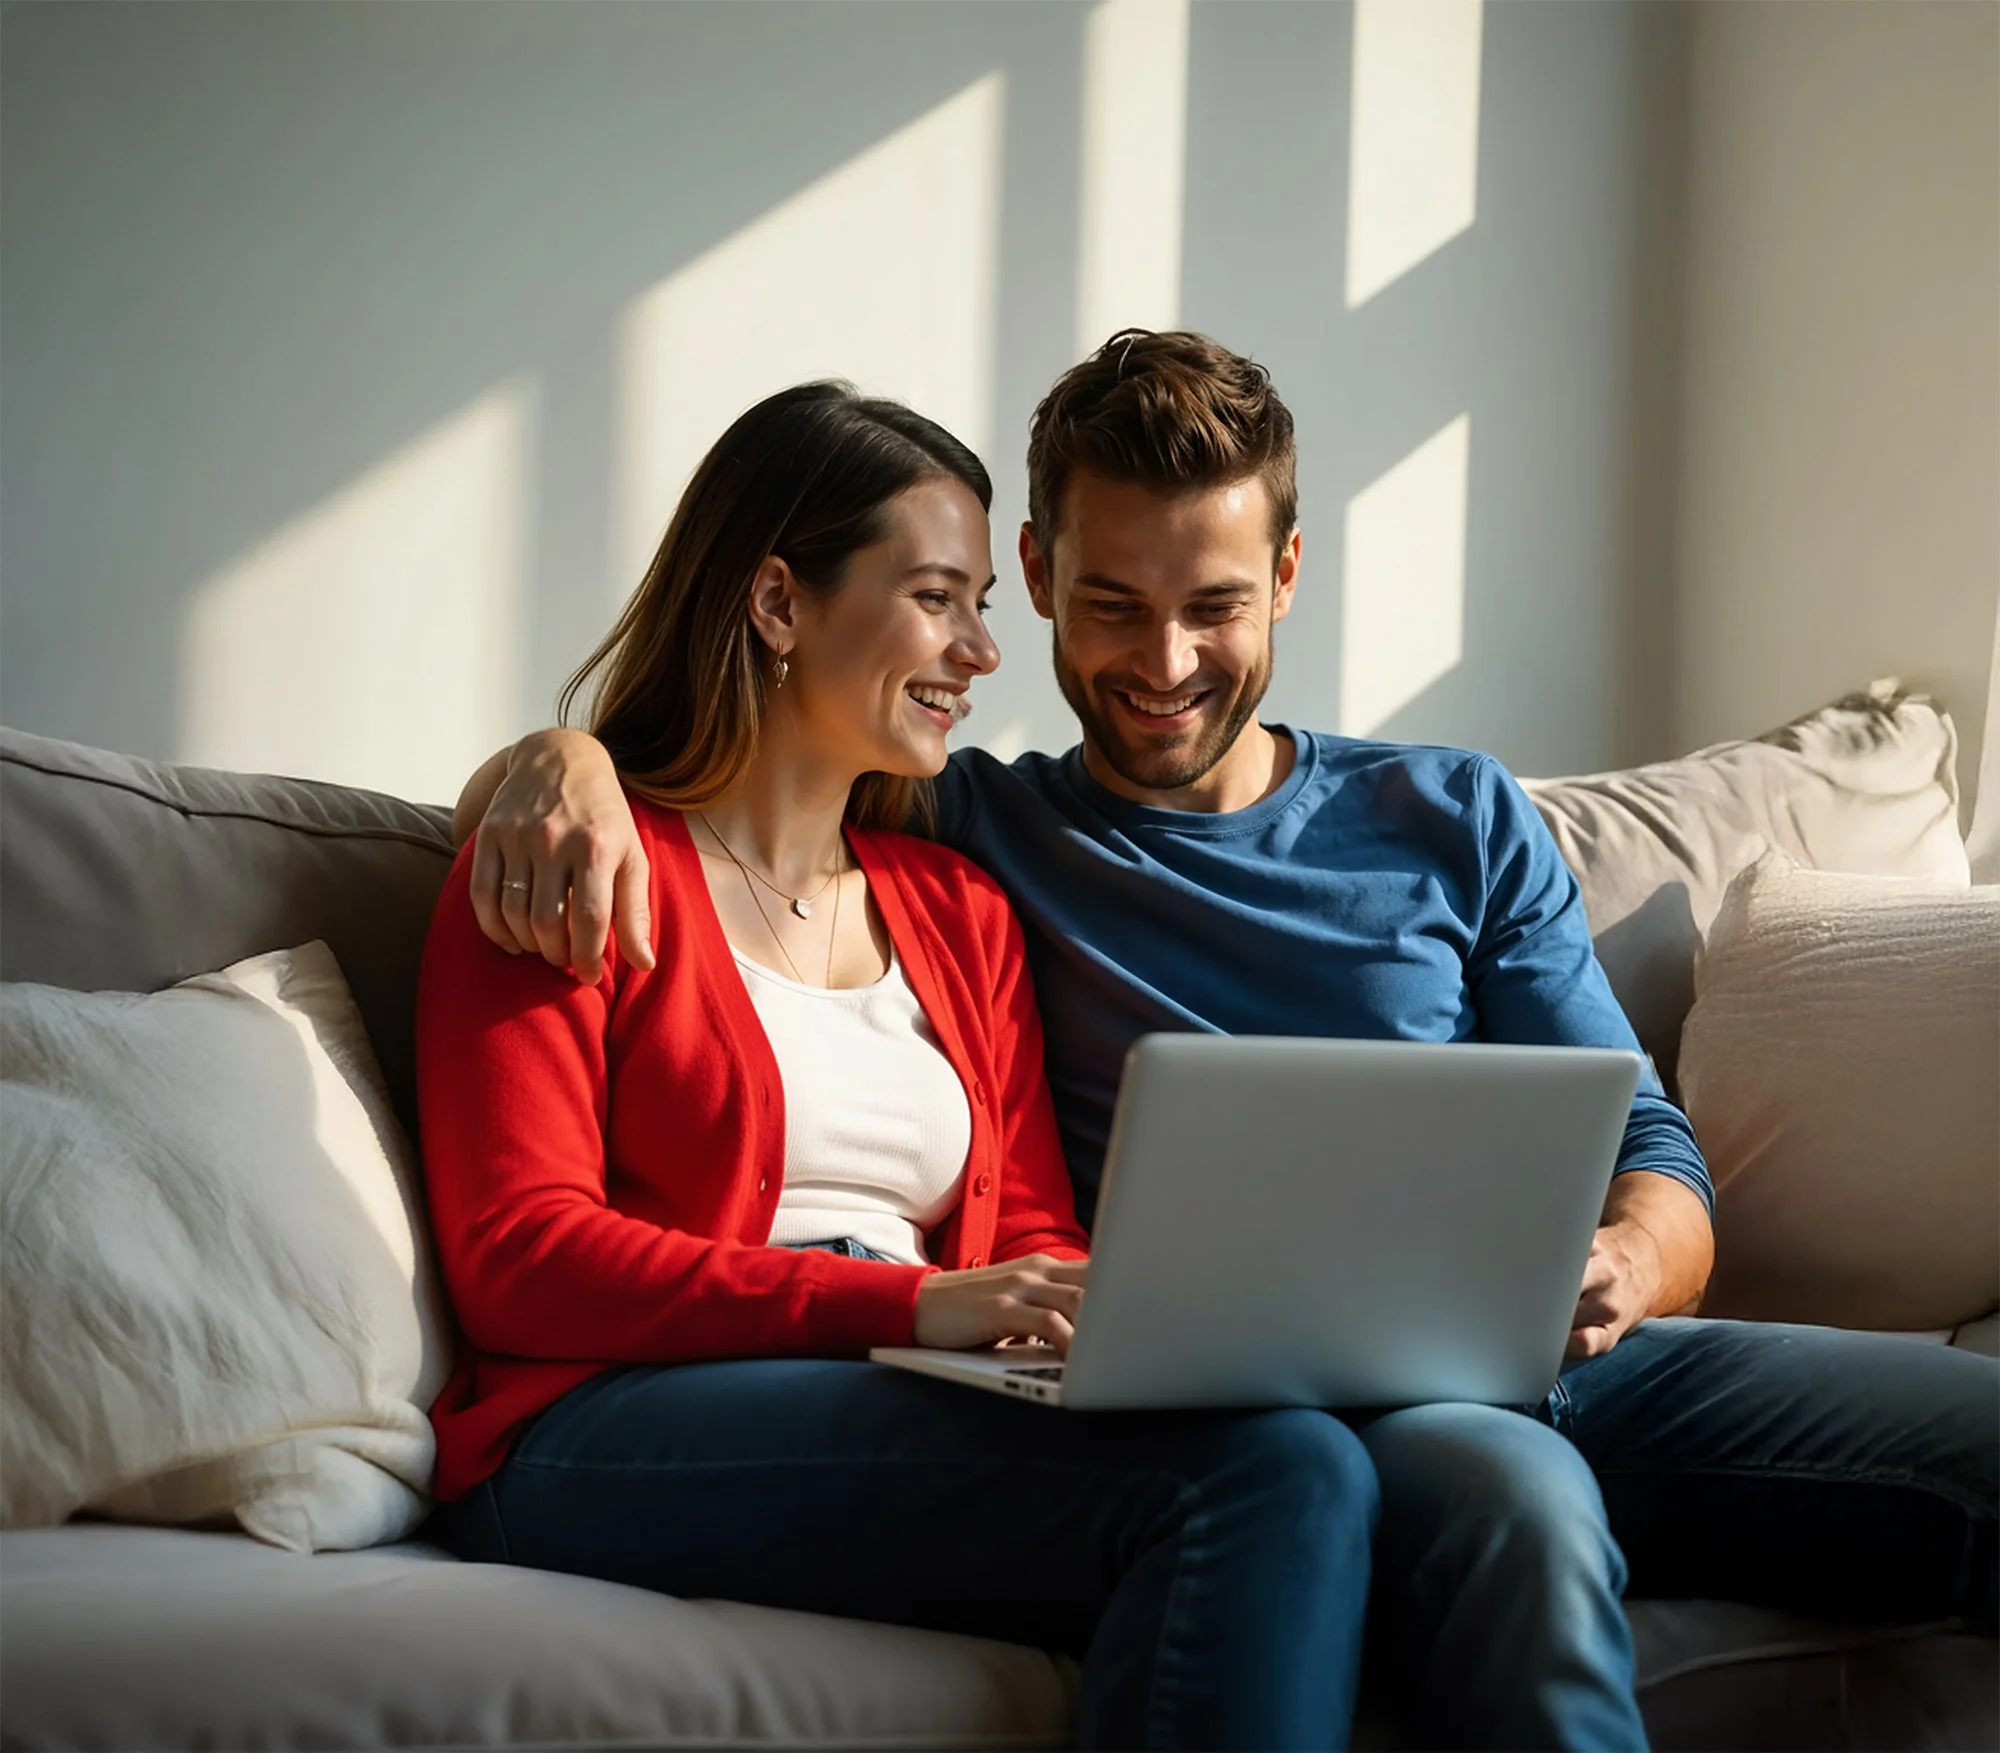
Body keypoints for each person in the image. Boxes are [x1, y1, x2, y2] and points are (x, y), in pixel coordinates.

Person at [459, 332, 1999, 1750]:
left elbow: (1641, 1142)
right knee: (1473, 1509)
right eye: (1111, 606)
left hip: (1536, 1349)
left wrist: (1623, 1268)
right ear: (1046, 572)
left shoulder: (1421, 822)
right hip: (1268, 1414)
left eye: (1216, 607)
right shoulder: (978, 827)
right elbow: (695, 789)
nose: (1166, 664)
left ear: (1287, 571)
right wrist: (560, 756)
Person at [418, 380, 1380, 1753]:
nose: (986, 650)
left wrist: (1089, 1317)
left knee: (1301, 1449)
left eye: (986, 599)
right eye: (939, 597)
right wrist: (915, 1304)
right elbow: (520, 1253)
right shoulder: (574, 866)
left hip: (895, 1382)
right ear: (776, 602)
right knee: (1261, 1478)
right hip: (598, 1428)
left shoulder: (957, 907)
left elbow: (1033, 1223)